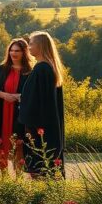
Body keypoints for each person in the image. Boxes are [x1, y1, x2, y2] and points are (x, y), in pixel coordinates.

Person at [18, 31, 66, 177]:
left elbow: (38, 101)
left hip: (39, 127)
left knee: (40, 167)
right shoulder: (46, 67)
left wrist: (26, 118)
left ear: (40, 45)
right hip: (45, 126)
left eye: (31, 43)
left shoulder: (42, 69)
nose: (29, 46)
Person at [0, 38, 33, 176]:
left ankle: (18, 178)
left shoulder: (30, 71)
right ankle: (4, 177)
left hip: (19, 114)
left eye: (17, 51)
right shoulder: (1, 70)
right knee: (2, 143)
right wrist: (3, 95)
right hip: (3, 112)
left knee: (19, 143)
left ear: (24, 52)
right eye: (11, 50)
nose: (13, 53)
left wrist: (18, 96)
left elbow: (32, 93)